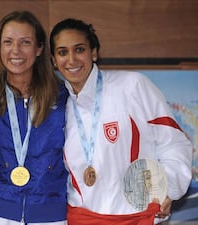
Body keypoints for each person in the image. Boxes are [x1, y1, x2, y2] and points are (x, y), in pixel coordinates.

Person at [49, 18, 192, 225]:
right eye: (62, 52)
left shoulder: (132, 86)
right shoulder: (58, 106)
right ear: (54, 60)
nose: (71, 60)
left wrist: (168, 189)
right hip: (82, 219)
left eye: (79, 49)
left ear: (94, 52)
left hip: (136, 219)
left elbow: (174, 142)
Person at [0, 11, 69, 225]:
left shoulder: (64, 98)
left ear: (39, 48)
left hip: (50, 216)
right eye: (8, 42)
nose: (15, 51)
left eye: (25, 42)